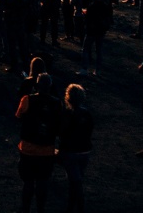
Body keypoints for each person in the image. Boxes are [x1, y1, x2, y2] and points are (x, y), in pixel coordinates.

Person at [15, 73, 60, 213]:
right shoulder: (57, 103)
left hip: (28, 148)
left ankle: (25, 208)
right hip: (47, 149)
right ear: (50, 86)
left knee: (28, 182)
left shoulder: (27, 99)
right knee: (42, 181)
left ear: (37, 86)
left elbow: (18, 116)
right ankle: (40, 208)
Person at [56, 83, 93, 213]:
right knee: (75, 180)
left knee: (75, 183)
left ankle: (78, 207)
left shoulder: (67, 114)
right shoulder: (87, 114)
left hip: (70, 151)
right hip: (85, 151)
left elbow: (61, 132)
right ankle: (72, 207)